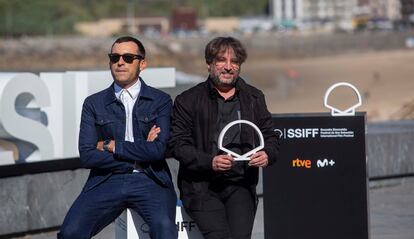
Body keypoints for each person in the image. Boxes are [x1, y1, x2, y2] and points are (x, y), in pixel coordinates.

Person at [58, 36, 177, 239]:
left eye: (128, 57)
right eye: (115, 57)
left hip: (150, 178)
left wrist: (113, 146)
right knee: (70, 233)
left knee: (165, 230)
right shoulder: (93, 103)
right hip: (107, 179)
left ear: (143, 63)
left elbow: (158, 150)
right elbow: (87, 155)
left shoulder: (161, 101)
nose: (120, 62)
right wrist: (140, 151)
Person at [169, 36, 279, 239]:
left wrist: (267, 154)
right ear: (209, 64)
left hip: (241, 185)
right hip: (201, 188)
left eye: (235, 62)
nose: (228, 67)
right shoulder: (188, 100)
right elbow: (177, 144)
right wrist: (210, 162)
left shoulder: (254, 97)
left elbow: (271, 136)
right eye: (221, 60)